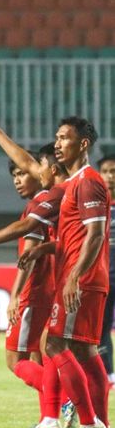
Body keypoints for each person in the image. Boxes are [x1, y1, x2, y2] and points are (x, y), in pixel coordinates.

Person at [0, 104, 112, 428]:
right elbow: (29, 164)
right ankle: (102, 425)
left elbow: (95, 236)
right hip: (87, 278)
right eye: (56, 138)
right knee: (86, 351)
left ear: (83, 144)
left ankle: (86, 419)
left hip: (80, 279)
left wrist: (71, 277)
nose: (57, 144)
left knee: (52, 343)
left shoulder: (87, 182)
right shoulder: (71, 186)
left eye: (64, 138)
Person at [0, 144, 70, 428]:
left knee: (15, 361)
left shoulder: (38, 206)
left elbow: (28, 254)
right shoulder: (54, 203)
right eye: (14, 175)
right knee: (42, 355)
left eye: (22, 173)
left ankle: (66, 401)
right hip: (50, 287)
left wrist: (15, 294)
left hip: (34, 289)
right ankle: (48, 419)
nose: (18, 179)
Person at [97, 155, 115, 389]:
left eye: (114, 171)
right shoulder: (95, 207)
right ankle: (109, 376)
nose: (110, 176)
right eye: (106, 171)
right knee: (100, 331)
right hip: (104, 279)